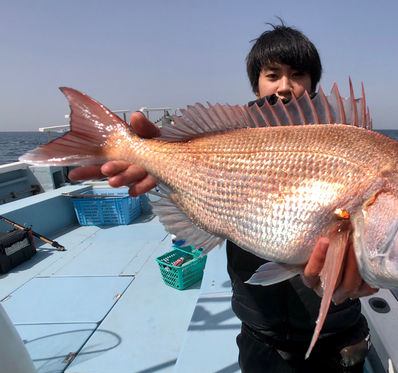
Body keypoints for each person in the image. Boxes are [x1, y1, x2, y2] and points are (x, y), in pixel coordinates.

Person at [69, 22, 377, 372]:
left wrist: (373, 270)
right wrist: (159, 164)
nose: (285, 87)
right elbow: (203, 197)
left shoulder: (346, 143)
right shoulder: (232, 134)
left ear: (314, 82)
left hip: (336, 335)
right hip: (260, 332)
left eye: (298, 74)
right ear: (256, 83)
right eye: (273, 74)